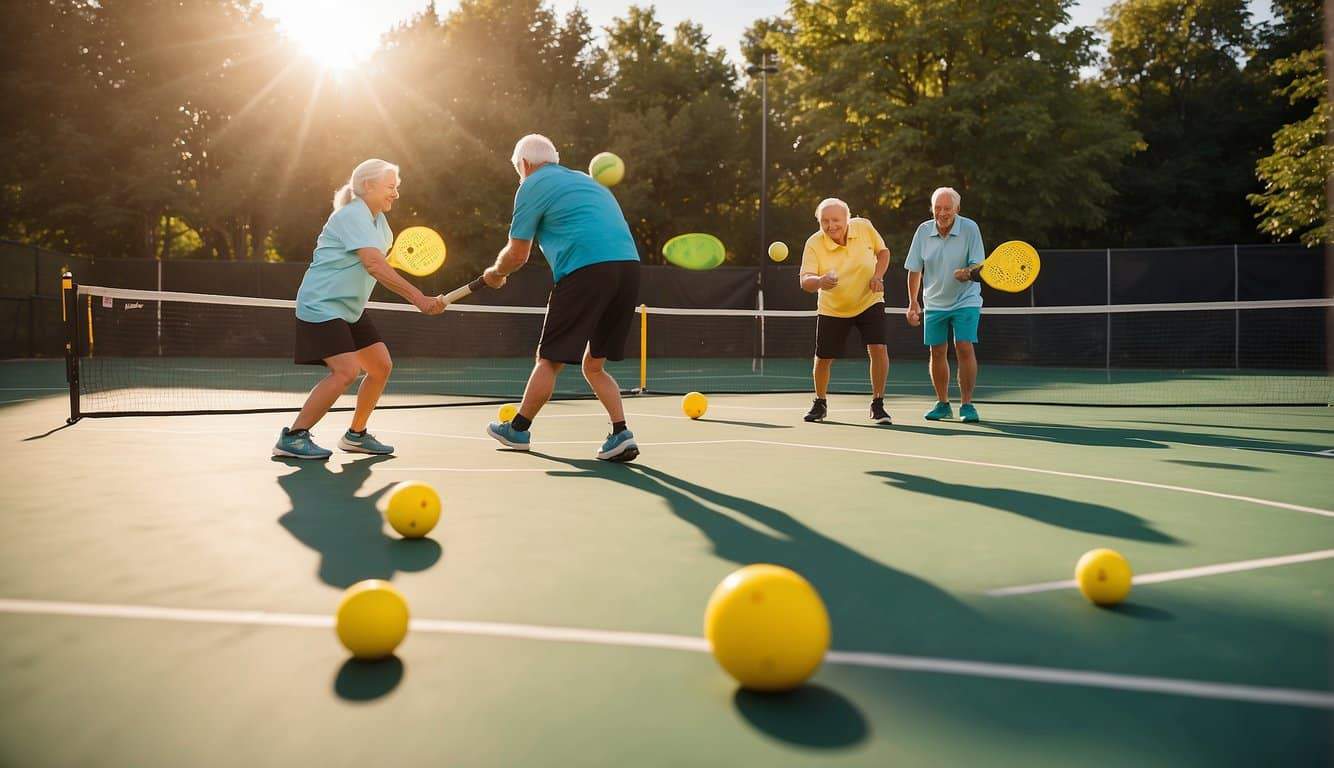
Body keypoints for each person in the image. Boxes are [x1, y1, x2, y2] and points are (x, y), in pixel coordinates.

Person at [482, 134, 643, 462]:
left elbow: (518, 253)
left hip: (586, 269)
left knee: (549, 360)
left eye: (518, 171)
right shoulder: (587, 181)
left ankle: (518, 429)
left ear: (525, 165)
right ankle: (620, 433)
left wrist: (496, 273)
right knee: (593, 365)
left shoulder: (532, 184)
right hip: (629, 269)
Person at [273, 159, 444, 460]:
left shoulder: (381, 225)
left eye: (397, 188)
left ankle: (356, 435)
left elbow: (374, 264)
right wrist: (419, 298)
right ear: (368, 186)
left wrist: (417, 295)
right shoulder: (351, 215)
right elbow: (374, 264)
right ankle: (294, 436)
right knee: (346, 371)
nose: (396, 194)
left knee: (380, 367)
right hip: (322, 305)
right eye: (391, 187)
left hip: (350, 309)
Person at [797, 198, 893, 424]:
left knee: (878, 348)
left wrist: (878, 276)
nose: (831, 226)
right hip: (833, 307)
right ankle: (820, 402)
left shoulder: (864, 227)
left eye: (836, 220)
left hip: (870, 300)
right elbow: (805, 280)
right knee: (823, 359)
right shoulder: (813, 243)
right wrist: (820, 281)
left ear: (847, 219)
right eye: (825, 221)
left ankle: (878, 404)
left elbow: (883, 253)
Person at [904, 186, 986, 423]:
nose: (942, 213)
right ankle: (943, 403)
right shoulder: (923, 231)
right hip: (934, 302)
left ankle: (967, 405)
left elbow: (978, 267)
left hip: (966, 299)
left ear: (957, 209)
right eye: (937, 208)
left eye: (947, 208)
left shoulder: (970, 228)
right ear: (932, 209)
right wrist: (912, 303)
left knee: (963, 346)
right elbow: (915, 269)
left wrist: (968, 273)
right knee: (937, 351)